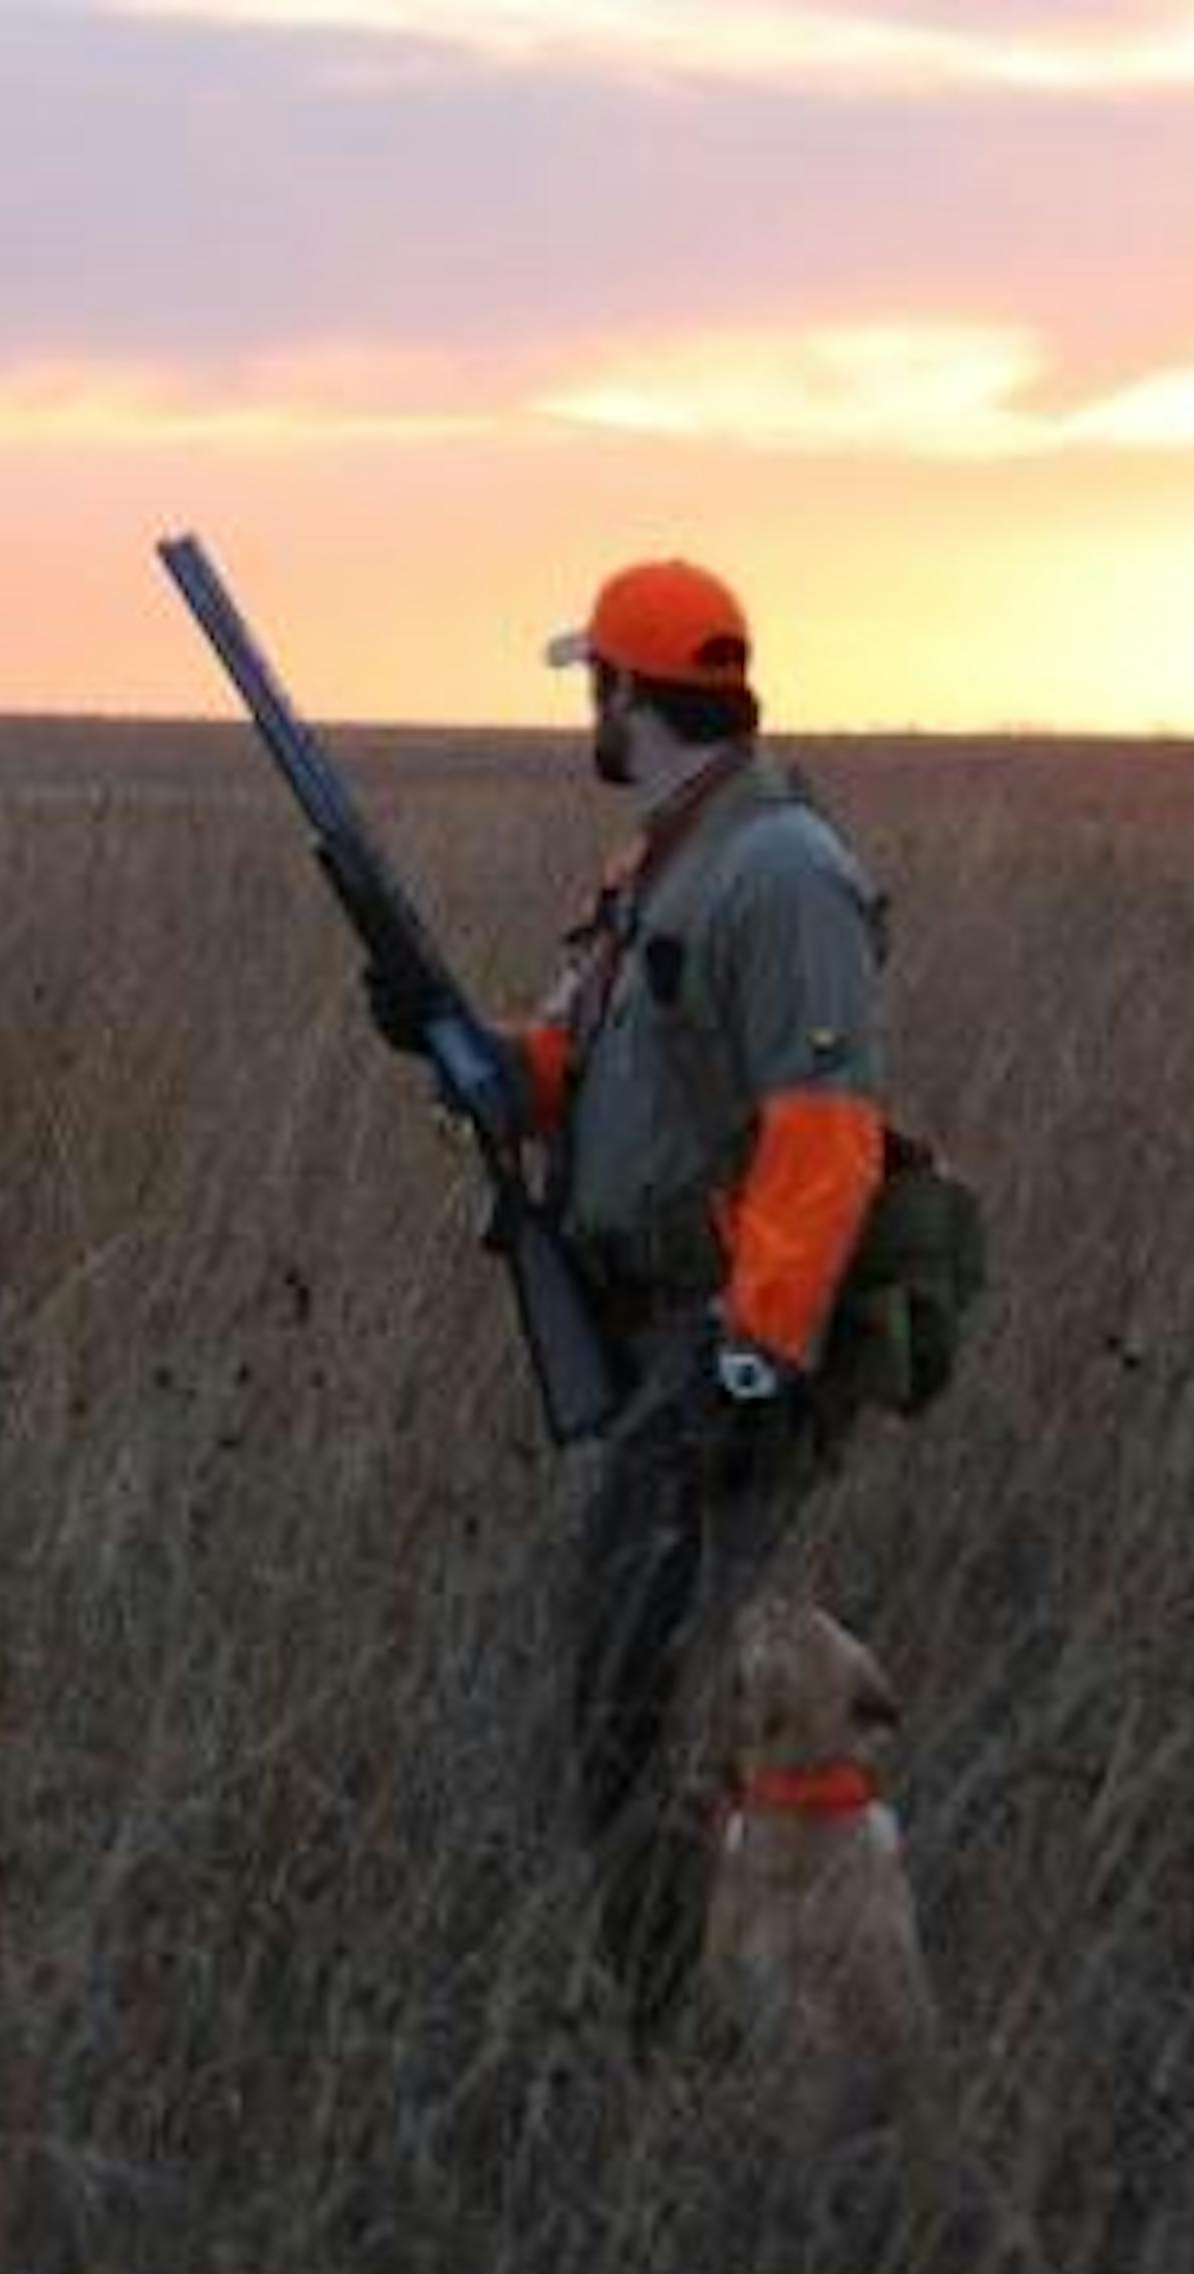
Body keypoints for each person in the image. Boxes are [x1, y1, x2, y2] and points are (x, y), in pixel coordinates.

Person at [373, 556, 890, 2045]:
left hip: (719, 1347)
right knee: (644, 1684)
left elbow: (824, 1130)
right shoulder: (663, 860)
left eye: (591, 682)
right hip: (665, 1331)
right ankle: (698, 2001)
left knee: (638, 1700)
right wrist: (452, 1040)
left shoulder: (778, 869)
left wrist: (753, 1359)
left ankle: (690, 2024)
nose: (583, 712)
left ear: (627, 693)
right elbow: (578, 1068)